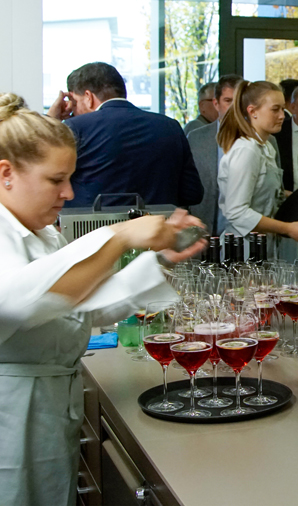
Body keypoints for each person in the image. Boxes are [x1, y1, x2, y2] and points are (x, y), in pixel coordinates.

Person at [0, 93, 205, 506]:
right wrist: (120, 235)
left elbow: (82, 306)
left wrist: (160, 260)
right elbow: (16, 303)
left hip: (47, 405)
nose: (68, 192)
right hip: (12, 413)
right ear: (6, 173)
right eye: (56, 180)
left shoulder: (45, 234)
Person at [47, 62, 203, 209]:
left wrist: (50, 121)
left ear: (88, 97)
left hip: (94, 228)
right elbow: (192, 193)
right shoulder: (170, 126)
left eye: (74, 103)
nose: (73, 111)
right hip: (159, 225)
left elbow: (44, 177)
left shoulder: (77, 127)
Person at [217, 81, 298, 254]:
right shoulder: (246, 150)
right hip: (243, 250)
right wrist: (287, 228)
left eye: (283, 109)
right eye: (275, 109)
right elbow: (237, 212)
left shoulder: (266, 147)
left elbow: (261, 191)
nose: (282, 116)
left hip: (262, 246)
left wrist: (294, 197)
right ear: (252, 111)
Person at [188, 74, 252, 234]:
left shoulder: (264, 140)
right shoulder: (196, 138)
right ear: (216, 103)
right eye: (228, 101)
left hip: (247, 234)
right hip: (204, 230)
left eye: (239, 101)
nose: (234, 108)